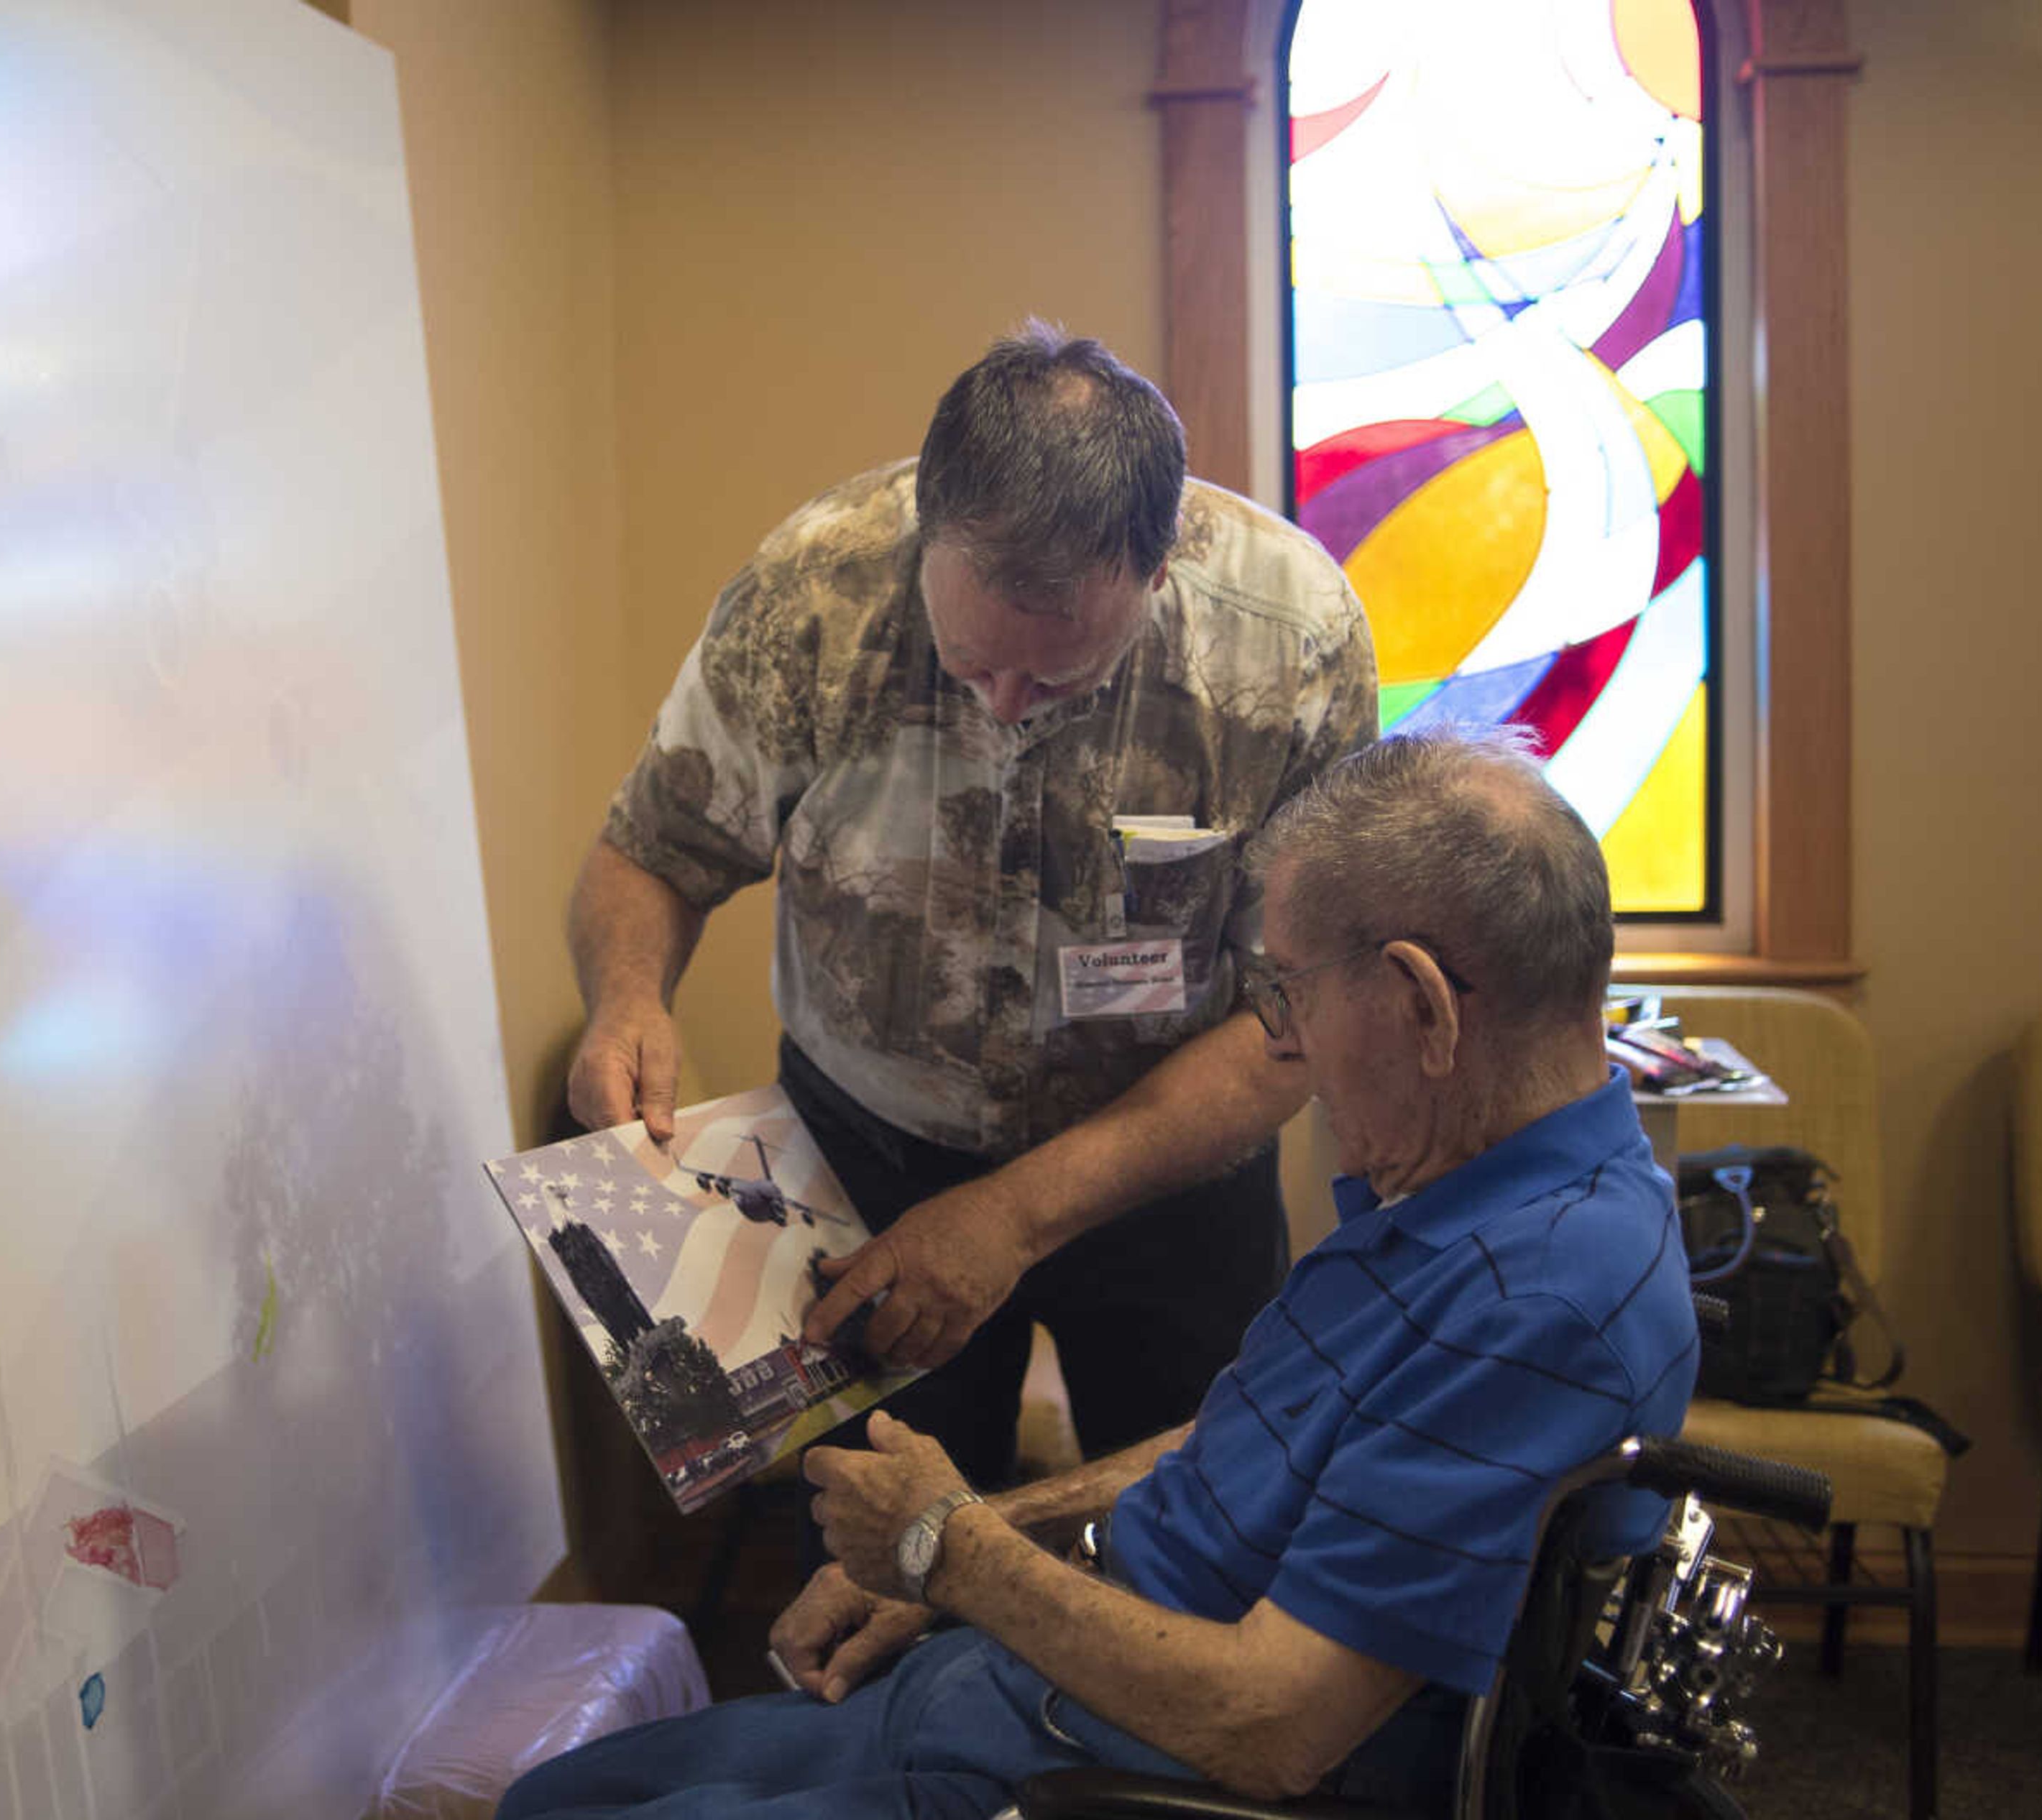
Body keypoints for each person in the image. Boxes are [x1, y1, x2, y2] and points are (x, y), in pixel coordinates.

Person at [501, 725, 1701, 1816]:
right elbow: (1234, 1455)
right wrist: (973, 1539)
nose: (1289, 1051)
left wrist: (950, 1551)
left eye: (1288, 995)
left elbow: (1273, 1726)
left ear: (1423, 1006)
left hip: (1088, 1776)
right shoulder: (1478, 1200)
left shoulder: (1534, 1302)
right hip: (1029, 1685)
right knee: (550, 1802)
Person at [565, 324, 1377, 1491]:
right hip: (868, 1165)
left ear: (1157, 572)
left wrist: (1013, 1216)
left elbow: (1299, 1015)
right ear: (928, 536)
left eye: (1056, 679)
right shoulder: (815, 595)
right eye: (968, 663)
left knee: (1196, 1551)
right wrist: (627, 997)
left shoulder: (1292, 641)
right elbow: (652, 850)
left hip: (1172, 1178)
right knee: (875, 1567)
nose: (1004, 708)